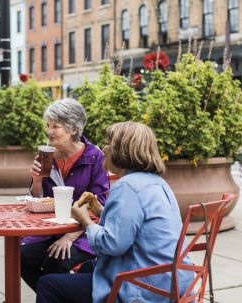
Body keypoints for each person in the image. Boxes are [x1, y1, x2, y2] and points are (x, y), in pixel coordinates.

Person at [36, 121, 193, 303]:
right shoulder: (157, 183)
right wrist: (101, 211)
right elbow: (133, 226)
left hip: (143, 287)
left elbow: (112, 245)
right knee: (88, 267)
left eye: (109, 142)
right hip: (170, 280)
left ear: (122, 150)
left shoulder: (127, 187)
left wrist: (86, 221)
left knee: (48, 285)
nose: (104, 147)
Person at [21, 98, 109, 292]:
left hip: (83, 231)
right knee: (21, 256)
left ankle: (54, 294)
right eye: (48, 125)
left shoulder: (94, 157)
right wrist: (36, 180)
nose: (49, 131)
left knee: (57, 261)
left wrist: (69, 236)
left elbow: (98, 203)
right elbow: (37, 201)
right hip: (50, 229)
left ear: (73, 129)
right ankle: (53, 295)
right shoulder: (46, 156)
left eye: (56, 126)